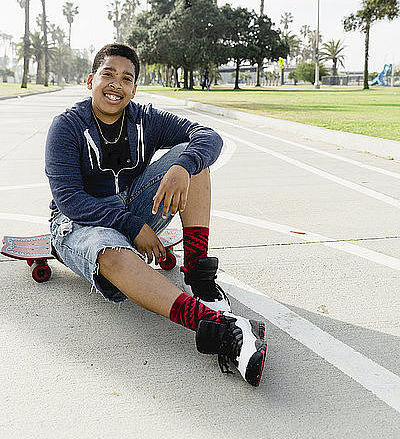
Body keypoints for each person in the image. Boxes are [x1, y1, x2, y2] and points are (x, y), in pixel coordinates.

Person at [45, 43, 267, 386]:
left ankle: (197, 272)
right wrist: (132, 226)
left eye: (126, 78)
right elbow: (69, 199)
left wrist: (182, 166)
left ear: (134, 89)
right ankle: (220, 327)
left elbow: (209, 137)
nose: (116, 84)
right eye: (108, 74)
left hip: (129, 204)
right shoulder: (67, 127)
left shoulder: (144, 119)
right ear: (90, 81)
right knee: (112, 255)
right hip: (79, 223)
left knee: (193, 160)